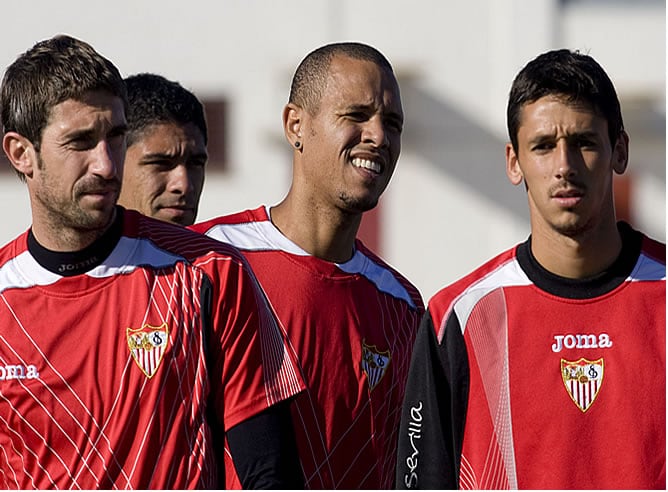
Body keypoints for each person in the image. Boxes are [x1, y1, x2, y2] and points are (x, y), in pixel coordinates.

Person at [0, 34, 304, 489]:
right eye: (81, 142)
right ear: (22, 153)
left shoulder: (210, 272)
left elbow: (271, 472)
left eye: (115, 138)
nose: (106, 164)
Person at [395, 48, 666, 490]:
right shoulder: (459, 319)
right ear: (514, 162)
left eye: (584, 142)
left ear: (619, 150)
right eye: (543, 146)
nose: (564, 166)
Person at [190, 42, 424, 489]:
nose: (378, 136)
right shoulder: (210, 261)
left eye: (392, 123)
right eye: (356, 116)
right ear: (295, 124)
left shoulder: (403, 303)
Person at [118, 73, 207, 226]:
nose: (184, 185)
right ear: (112, 160)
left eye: (195, 163)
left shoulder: (226, 249)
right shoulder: (66, 247)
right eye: (161, 164)